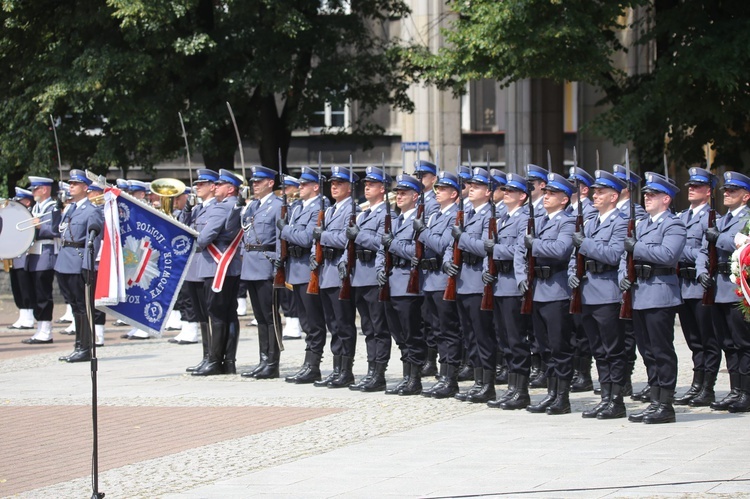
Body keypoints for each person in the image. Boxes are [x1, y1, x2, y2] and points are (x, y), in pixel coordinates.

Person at [620, 172, 686, 424]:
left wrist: (636, 248)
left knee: (661, 350)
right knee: (647, 351)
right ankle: (654, 399)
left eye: (653, 194)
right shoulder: (642, 224)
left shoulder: (673, 225)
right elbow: (623, 258)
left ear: (666, 199)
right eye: (646, 194)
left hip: (660, 293)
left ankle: (665, 404)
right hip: (639, 293)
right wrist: (622, 279)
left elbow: (668, 254)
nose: (647, 198)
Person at [568, 170, 628, 419]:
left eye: (601, 192)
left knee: (612, 348)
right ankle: (604, 396)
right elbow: (575, 254)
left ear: (613, 196)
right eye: (594, 191)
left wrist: (585, 244)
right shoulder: (591, 222)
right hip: (588, 290)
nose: (595, 195)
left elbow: (613, 255)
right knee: (598, 349)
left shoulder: (621, 221)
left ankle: (617, 399)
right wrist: (573, 270)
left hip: (607, 291)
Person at [518, 173, 576, 415]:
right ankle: (551, 393)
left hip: (556, 289)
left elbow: (562, 249)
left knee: (559, 345)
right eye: (546, 192)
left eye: (552, 194)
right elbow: (520, 250)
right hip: (538, 290)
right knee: (544, 346)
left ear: (564, 200)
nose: (546, 197)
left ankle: (562, 396)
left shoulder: (568, 222)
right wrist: (522, 276)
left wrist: (535, 245)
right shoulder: (538, 220)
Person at [696, 171, 750, 413]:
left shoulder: (747, 219)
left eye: (733, 191)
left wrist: (719, 238)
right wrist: (701, 271)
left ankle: (746, 392)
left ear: (746, 196)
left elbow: (744, 244)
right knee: (727, 342)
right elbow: (701, 249)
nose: (727, 194)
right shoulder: (719, 219)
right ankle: (735, 390)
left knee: (743, 343)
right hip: (718, 286)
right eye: (726, 191)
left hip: (737, 289)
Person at [444, 167, 496, 403]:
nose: (471, 189)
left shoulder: (490, 216)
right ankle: (477, 381)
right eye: (470, 185)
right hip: (462, 280)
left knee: (482, 335)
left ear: (488, 191)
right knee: (469, 336)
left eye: (476, 186)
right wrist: (447, 262)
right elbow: (449, 246)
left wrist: (461, 237)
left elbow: (485, 247)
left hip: (477, 282)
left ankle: (488, 384)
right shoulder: (467, 214)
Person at [483, 173, 532, 410]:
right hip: (499, 283)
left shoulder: (524, 219)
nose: (506, 193)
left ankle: (521, 390)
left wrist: (496, 249)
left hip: (513, 284)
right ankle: (512, 388)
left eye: (511, 191)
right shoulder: (502, 218)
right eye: (505, 190)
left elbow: (519, 250)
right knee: (504, 339)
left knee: (516, 339)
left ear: (522, 196)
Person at [311, 166, 360, 388]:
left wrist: (324, 235)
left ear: (350, 188)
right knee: (332, 324)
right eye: (332, 184)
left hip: (339, 271)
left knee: (343, 324)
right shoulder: (330, 210)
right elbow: (317, 239)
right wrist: (314, 254)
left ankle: (346, 370)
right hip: (325, 271)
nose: (334, 187)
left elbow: (346, 240)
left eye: (339, 183)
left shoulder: (353, 210)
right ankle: (336, 368)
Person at [280, 167, 331, 384]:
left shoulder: (320, 206)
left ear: (316, 187)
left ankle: (313, 365)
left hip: (308, 270)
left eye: (303, 184)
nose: (299, 188)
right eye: (299, 184)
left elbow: (307, 237)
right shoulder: (298, 207)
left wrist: (285, 230)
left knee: (313, 321)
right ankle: (308, 363)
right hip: (295, 269)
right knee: (304, 319)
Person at [674, 168, 720, 406]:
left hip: (700, 284)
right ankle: (696, 383)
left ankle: (708, 387)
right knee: (693, 339)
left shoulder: (713, 219)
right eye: (690, 185)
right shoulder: (681, 217)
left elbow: (705, 253)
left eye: (698, 186)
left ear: (709, 192)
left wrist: (678, 251)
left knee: (707, 338)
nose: (691, 189)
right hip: (683, 284)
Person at [376, 173, 425, 395]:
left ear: (415, 196)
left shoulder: (419, 221)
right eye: (397, 193)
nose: (399, 196)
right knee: (398, 333)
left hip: (408, 283)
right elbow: (380, 249)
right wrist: (379, 269)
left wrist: (392, 244)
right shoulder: (395, 221)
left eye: (404, 193)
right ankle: (406, 376)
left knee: (411, 332)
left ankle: (414, 378)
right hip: (390, 282)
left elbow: (416, 252)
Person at [192, 169, 243, 376]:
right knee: (229, 314)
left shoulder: (222, 208)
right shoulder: (237, 206)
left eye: (220, 185)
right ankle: (228, 361)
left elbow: (204, 238)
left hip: (216, 266)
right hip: (230, 266)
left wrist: (192, 243)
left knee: (216, 314)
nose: (216, 188)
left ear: (230, 189)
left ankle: (214, 360)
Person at [416, 171, 461, 399]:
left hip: (444, 280)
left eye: (442, 189)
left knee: (448, 330)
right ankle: (443, 375)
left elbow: (444, 243)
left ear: (453, 193)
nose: (437, 192)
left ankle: (450, 377)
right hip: (430, 279)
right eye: (437, 189)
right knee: (437, 330)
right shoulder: (434, 216)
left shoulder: (455, 216)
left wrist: (422, 233)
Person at [347, 166, 391, 392]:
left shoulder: (387, 214)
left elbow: (382, 243)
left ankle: (379, 372)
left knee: (379, 326)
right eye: (365, 184)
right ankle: (371, 370)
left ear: (382, 189)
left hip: (374, 274)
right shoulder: (363, 213)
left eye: (371, 184)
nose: (367, 187)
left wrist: (359, 235)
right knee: (367, 327)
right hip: (359, 275)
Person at [239, 166, 283, 379]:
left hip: (266, 265)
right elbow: (245, 233)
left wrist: (277, 267)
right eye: (253, 181)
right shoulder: (252, 207)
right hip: (250, 265)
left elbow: (280, 239)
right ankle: (263, 359)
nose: (254, 185)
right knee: (259, 317)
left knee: (270, 317)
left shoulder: (278, 206)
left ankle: (272, 363)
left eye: (259, 181)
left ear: (270, 183)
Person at [55, 170, 103, 363]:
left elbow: (94, 241)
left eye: (75, 184)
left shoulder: (92, 210)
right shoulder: (71, 209)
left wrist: (87, 266)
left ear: (85, 188)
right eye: (70, 183)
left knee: (83, 307)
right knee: (74, 306)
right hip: (64, 261)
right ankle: (78, 345)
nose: (71, 186)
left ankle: (84, 347)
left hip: (77, 262)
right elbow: (54, 230)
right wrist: (55, 210)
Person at [181, 169, 219, 373]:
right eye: (197, 184)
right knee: (201, 314)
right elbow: (181, 227)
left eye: (202, 184)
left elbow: (204, 237)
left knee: (210, 312)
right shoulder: (196, 209)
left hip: (207, 265)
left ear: (213, 186)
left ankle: (214, 357)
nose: (197, 187)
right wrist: (186, 209)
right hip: (193, 266)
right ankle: (206, 356)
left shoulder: (216, 208)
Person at [566, 167, 599, 392]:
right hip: (571, 275)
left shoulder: (589, 212)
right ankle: (577, 371)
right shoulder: (569, 210)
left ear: (584, 189)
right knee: (573, 328)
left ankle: (583, 373)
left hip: (587, 276)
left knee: (582, 330)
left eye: (574, 185)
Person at [280, 174, 304, 340]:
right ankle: (290, 321)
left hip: (300, 257)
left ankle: (295, 324)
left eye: (287, 188)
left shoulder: (300, 206)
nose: (284, 191)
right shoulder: (292, 206)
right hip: (289, 255)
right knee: (285, 292)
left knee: (295, 293)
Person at [9, 188, 36, 331]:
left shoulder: (29, 214)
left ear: (27, 201)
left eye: (19, 201)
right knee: (17, 287)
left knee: (25, 287)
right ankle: (22, 314)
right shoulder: (17, 215)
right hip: (15, 255)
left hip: (25, 255)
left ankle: (29, 317)